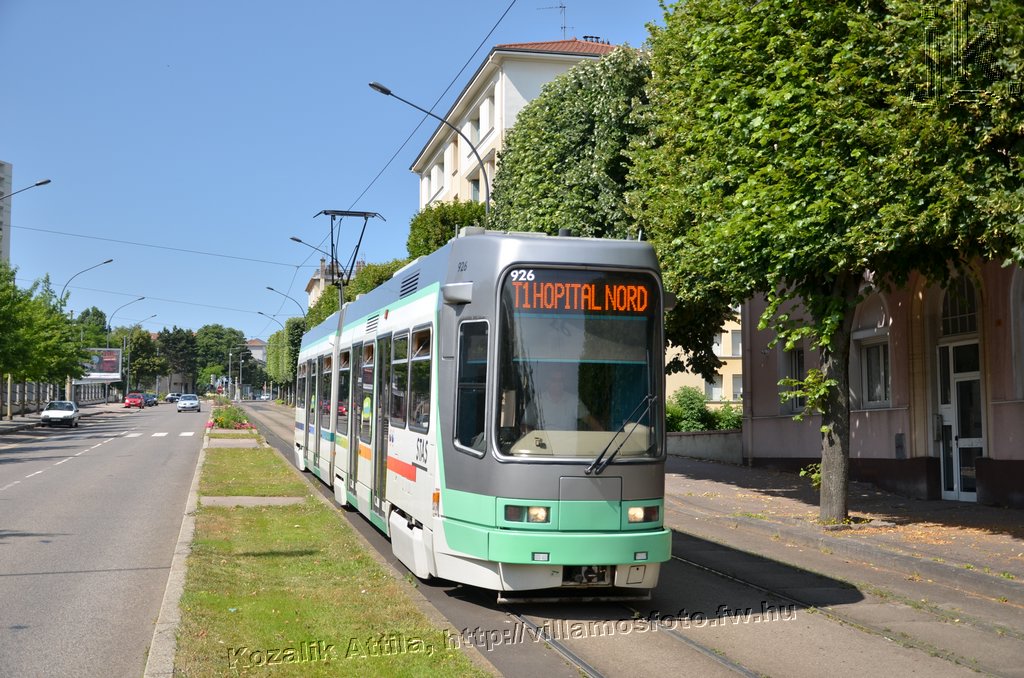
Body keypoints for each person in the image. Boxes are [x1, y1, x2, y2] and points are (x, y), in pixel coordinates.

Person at [522, 368, 602, 432]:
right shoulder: (537, 400)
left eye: (560, 380)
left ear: (564, 383)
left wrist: (604, 436)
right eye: (554, 380)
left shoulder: (574, 401)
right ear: (547, 382)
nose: (558, 383)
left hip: (569, 445)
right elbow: (524, 426)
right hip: (544, 445)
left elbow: (590, 420)